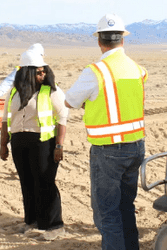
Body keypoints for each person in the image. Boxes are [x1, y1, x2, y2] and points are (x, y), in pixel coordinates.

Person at [64, 14, 147, 250]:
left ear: (99, 41)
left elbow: (70, 101)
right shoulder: (138, 69)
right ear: (123, 40)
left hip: (109, 150)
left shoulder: (96, 71)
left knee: (107, 213)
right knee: (126, 207)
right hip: (136, 146)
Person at [0, 50, 68, 241]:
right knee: (27, 183)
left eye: (43, 71)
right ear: (26, 73)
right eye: (38, 72)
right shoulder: (13, 92)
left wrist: (59, 146)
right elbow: (5, 119)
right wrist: (3, 144)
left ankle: (54, 225)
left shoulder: (51, 91)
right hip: (19, 143)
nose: (42, 75)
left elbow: (63, 117)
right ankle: (31, 221)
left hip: (43, 144)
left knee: (45, 183)